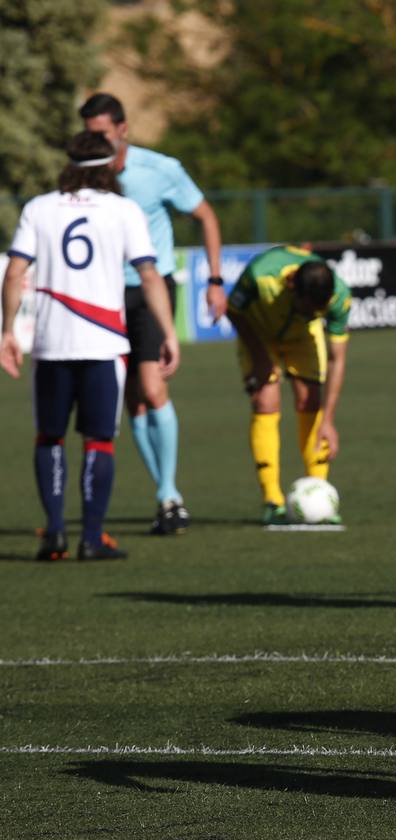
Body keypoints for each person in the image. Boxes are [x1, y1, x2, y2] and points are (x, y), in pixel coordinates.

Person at [2, 131, 180, 560]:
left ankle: (56, 534)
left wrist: (7, 331)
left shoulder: (39, 208)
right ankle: (92, 537)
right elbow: (150, 274)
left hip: (52, 343)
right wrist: (168, 332)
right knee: (98, 441)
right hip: (103, 344)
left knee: (50, 437)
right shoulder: (124, 210)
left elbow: (14, 273)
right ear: (110, 165)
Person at [79, 93, 225, 536]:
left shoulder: (159, 169)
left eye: (102, 134)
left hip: (150, 289)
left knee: (150, 384)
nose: (95, 143)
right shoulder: (84, 174)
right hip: (102, 294)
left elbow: (206, 215)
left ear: (122, 129)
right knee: (130, 400)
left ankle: (169, 493)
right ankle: (166, 496)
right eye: (88, 136)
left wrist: (215, 281)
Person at [226, 245, 352, 524]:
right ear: (292, 287)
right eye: (307, 311)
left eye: (316, 315)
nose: (311, 316)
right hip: (259, 334)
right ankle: (272, 500)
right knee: (265, 401)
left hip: (301, 340)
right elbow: (233, 309)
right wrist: (259, 355)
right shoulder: (260, 276)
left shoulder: (339, 297)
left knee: (310, 401)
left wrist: (329, 419)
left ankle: (319, 494)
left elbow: (336, 360)